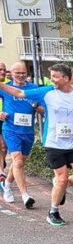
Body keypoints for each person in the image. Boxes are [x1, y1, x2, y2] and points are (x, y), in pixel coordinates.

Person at [0, 63, 73, 226]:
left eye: (55, 77)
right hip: (53, 143)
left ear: (65, 78)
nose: (51, 80)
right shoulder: (47, 92)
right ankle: (53, 211)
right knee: (62, 177)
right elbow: (19, 93)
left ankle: (59, 184)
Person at [0, 62, 40, 208]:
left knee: (20, 162)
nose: (21, 75)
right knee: (17, 159)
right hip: (11, 129)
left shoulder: (33, 88)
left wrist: (37, 107)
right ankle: (25, 195)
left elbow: (42, 108)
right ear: (11, 73)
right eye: (17, 73)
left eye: (23, 73)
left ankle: (7, 184)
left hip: (28, 131)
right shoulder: (5, 87)